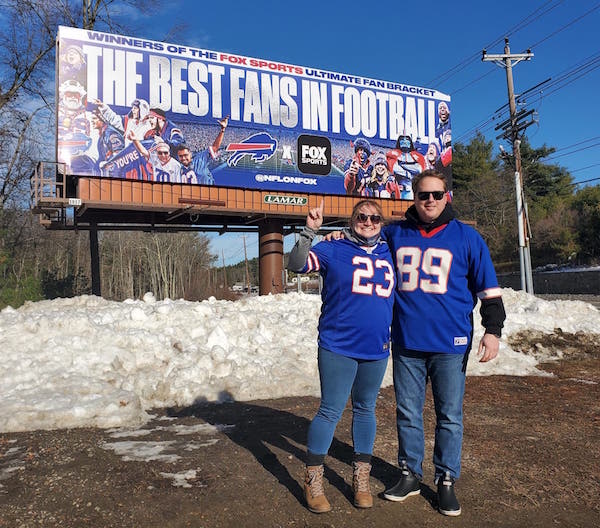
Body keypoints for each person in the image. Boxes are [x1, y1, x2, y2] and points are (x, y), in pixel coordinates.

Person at [380, 169, 505, 517]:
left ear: (446, 195)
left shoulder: (467, 237)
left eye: (437, 194)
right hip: (407, 342)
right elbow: (361, 249)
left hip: (451, 344)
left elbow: (490, 291)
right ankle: (409, 473)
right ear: (414, 198)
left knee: (449, 415)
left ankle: (446, 479)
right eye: (423, 195)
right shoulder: (395, 234)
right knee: (407, 412)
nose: (430, 200)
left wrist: (492, 331)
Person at [288, 199, 395, 513]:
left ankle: (361, 477)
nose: (368, 221)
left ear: (381, 222)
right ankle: (313, 478)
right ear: (352, 220)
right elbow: (295, 264)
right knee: (330, 410)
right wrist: (310, 230)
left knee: (365, 409)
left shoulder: (391, 250)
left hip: (376, 348)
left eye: (375, 217)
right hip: (338, 345)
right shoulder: (332, 248)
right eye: (362, 216)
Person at [177, 117, 229, 185]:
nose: (183, 158)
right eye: (181, 156)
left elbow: (215, 147)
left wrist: (222, 130)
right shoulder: (176, 168)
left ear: (190, 154)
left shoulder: (199, 159)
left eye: (185, 155)